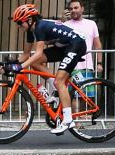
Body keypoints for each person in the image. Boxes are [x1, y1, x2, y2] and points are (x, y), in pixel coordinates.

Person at [10, 3, 87, 134]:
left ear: (29, 20)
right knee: (35, 63)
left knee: (59, 81)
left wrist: (21, 66)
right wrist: (10, 64)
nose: (18, 26)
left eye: (19, 23)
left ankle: (68, 120)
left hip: (76, 44)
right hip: (64, 46)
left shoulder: (40, 26)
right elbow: (26, 55)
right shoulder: (30, 31)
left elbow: (39, 53)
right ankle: (56, 90)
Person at [61, 1, 102, 87]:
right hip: (70, 67)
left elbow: (97, 44)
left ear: (82, 9)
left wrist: (99, 63)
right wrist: (62, 22)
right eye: (71, 9)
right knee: (72, 96)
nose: (73, 10)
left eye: (76, 8)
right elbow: (61, 43)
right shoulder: (65, 25)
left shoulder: (91, 24)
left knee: (86, 96)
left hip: (87, 66)